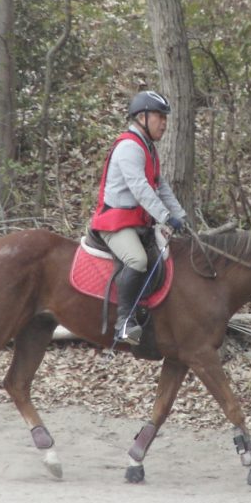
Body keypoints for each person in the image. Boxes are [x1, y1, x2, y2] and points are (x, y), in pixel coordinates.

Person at [90, 90, 188, 345]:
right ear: (142, 117)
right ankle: (124, 322)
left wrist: (180, 215)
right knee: (138, 259)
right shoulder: (129, 147)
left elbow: (160, 185)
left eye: (165, 118)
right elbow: (140, 188)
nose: (164, 123)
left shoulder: (148, 148)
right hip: (114, 223)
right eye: (159, 117)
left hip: (137, 223)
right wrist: (165, 216)